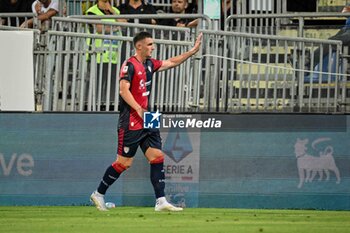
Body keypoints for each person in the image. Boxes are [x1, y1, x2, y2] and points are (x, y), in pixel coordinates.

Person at [90, 31, 202, 211]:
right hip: (131, 119)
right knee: (124, 163)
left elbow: (172, 62)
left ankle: (161, 201)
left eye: (153, 44)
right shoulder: (129, 65)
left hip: (149, 116)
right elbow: (123, 91)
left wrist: (191, 52)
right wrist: (138, 109)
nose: (153, 47)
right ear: (139, 46)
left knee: (157, 156)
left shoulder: (150, 64)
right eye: (150, 44)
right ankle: (98, 194)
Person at [86, 0, 121, 110]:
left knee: (112, 85)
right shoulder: (91, 11)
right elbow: (100, 28)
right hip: (97, 55)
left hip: (114, 56)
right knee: (96, 85)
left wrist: (112, 12)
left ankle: (110, 107)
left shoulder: (116, 11)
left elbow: (124, 24)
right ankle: (91, 108)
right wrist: (115, 27)